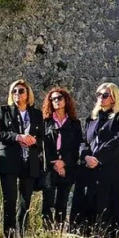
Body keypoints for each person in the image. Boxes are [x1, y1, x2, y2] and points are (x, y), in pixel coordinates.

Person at [70, 82, 119, 238]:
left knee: (107, 204)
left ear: (113, 98)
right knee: (91, 203)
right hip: (89, 169)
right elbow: (83, 141)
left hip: (109, 169)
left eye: (105, 95)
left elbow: (116, 142)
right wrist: (86, 156)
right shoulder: (92, 119)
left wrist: (97, 158)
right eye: (99, 94)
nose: (100, 98)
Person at [0, 79, 45, 238]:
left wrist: (33, 140)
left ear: (28, 94)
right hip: (9, 161)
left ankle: (22, 236)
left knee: (25, 203)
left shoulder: (36, 114)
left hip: (29, 162)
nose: (17, 94)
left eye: (21, 91)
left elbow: (43, 137)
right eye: (14, 91)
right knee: (9, 201)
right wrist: (17, 137)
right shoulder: (3, 111)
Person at [40, 87, 81, 230]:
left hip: (68, 168)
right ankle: (47, 234)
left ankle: (59, 234)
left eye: (59, 98)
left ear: (66, 100)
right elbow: (44, 145)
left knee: (62, 204)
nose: (56, 101)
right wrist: (55, 163)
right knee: (47, 203)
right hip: (50, 168)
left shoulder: (75, 123)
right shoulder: (46, 122)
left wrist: (64, 163)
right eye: (53, 99)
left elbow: (76, 147)